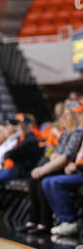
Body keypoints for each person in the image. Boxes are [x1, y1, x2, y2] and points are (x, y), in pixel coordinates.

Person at [18, 104, 83, 235]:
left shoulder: (78, 131)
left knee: (46, 180)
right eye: (62, 116)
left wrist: (43, 169)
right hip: (66, 166)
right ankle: (34, 220)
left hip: (69, 168)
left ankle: (52, 222)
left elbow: (66, 157)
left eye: (67, 116)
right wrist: (46, 165)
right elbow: (53, 153)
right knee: (35, 181)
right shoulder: (65, 132)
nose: (63, 119)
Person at [42, 101, 83, 237]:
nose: (78, 117)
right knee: (47, 181)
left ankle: (71, 220)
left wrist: (76, 166)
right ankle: (62, 219)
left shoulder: (78, 131)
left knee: (55, 182)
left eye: (80, 114)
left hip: (79, 172)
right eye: (77, 114)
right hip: (77, 171)